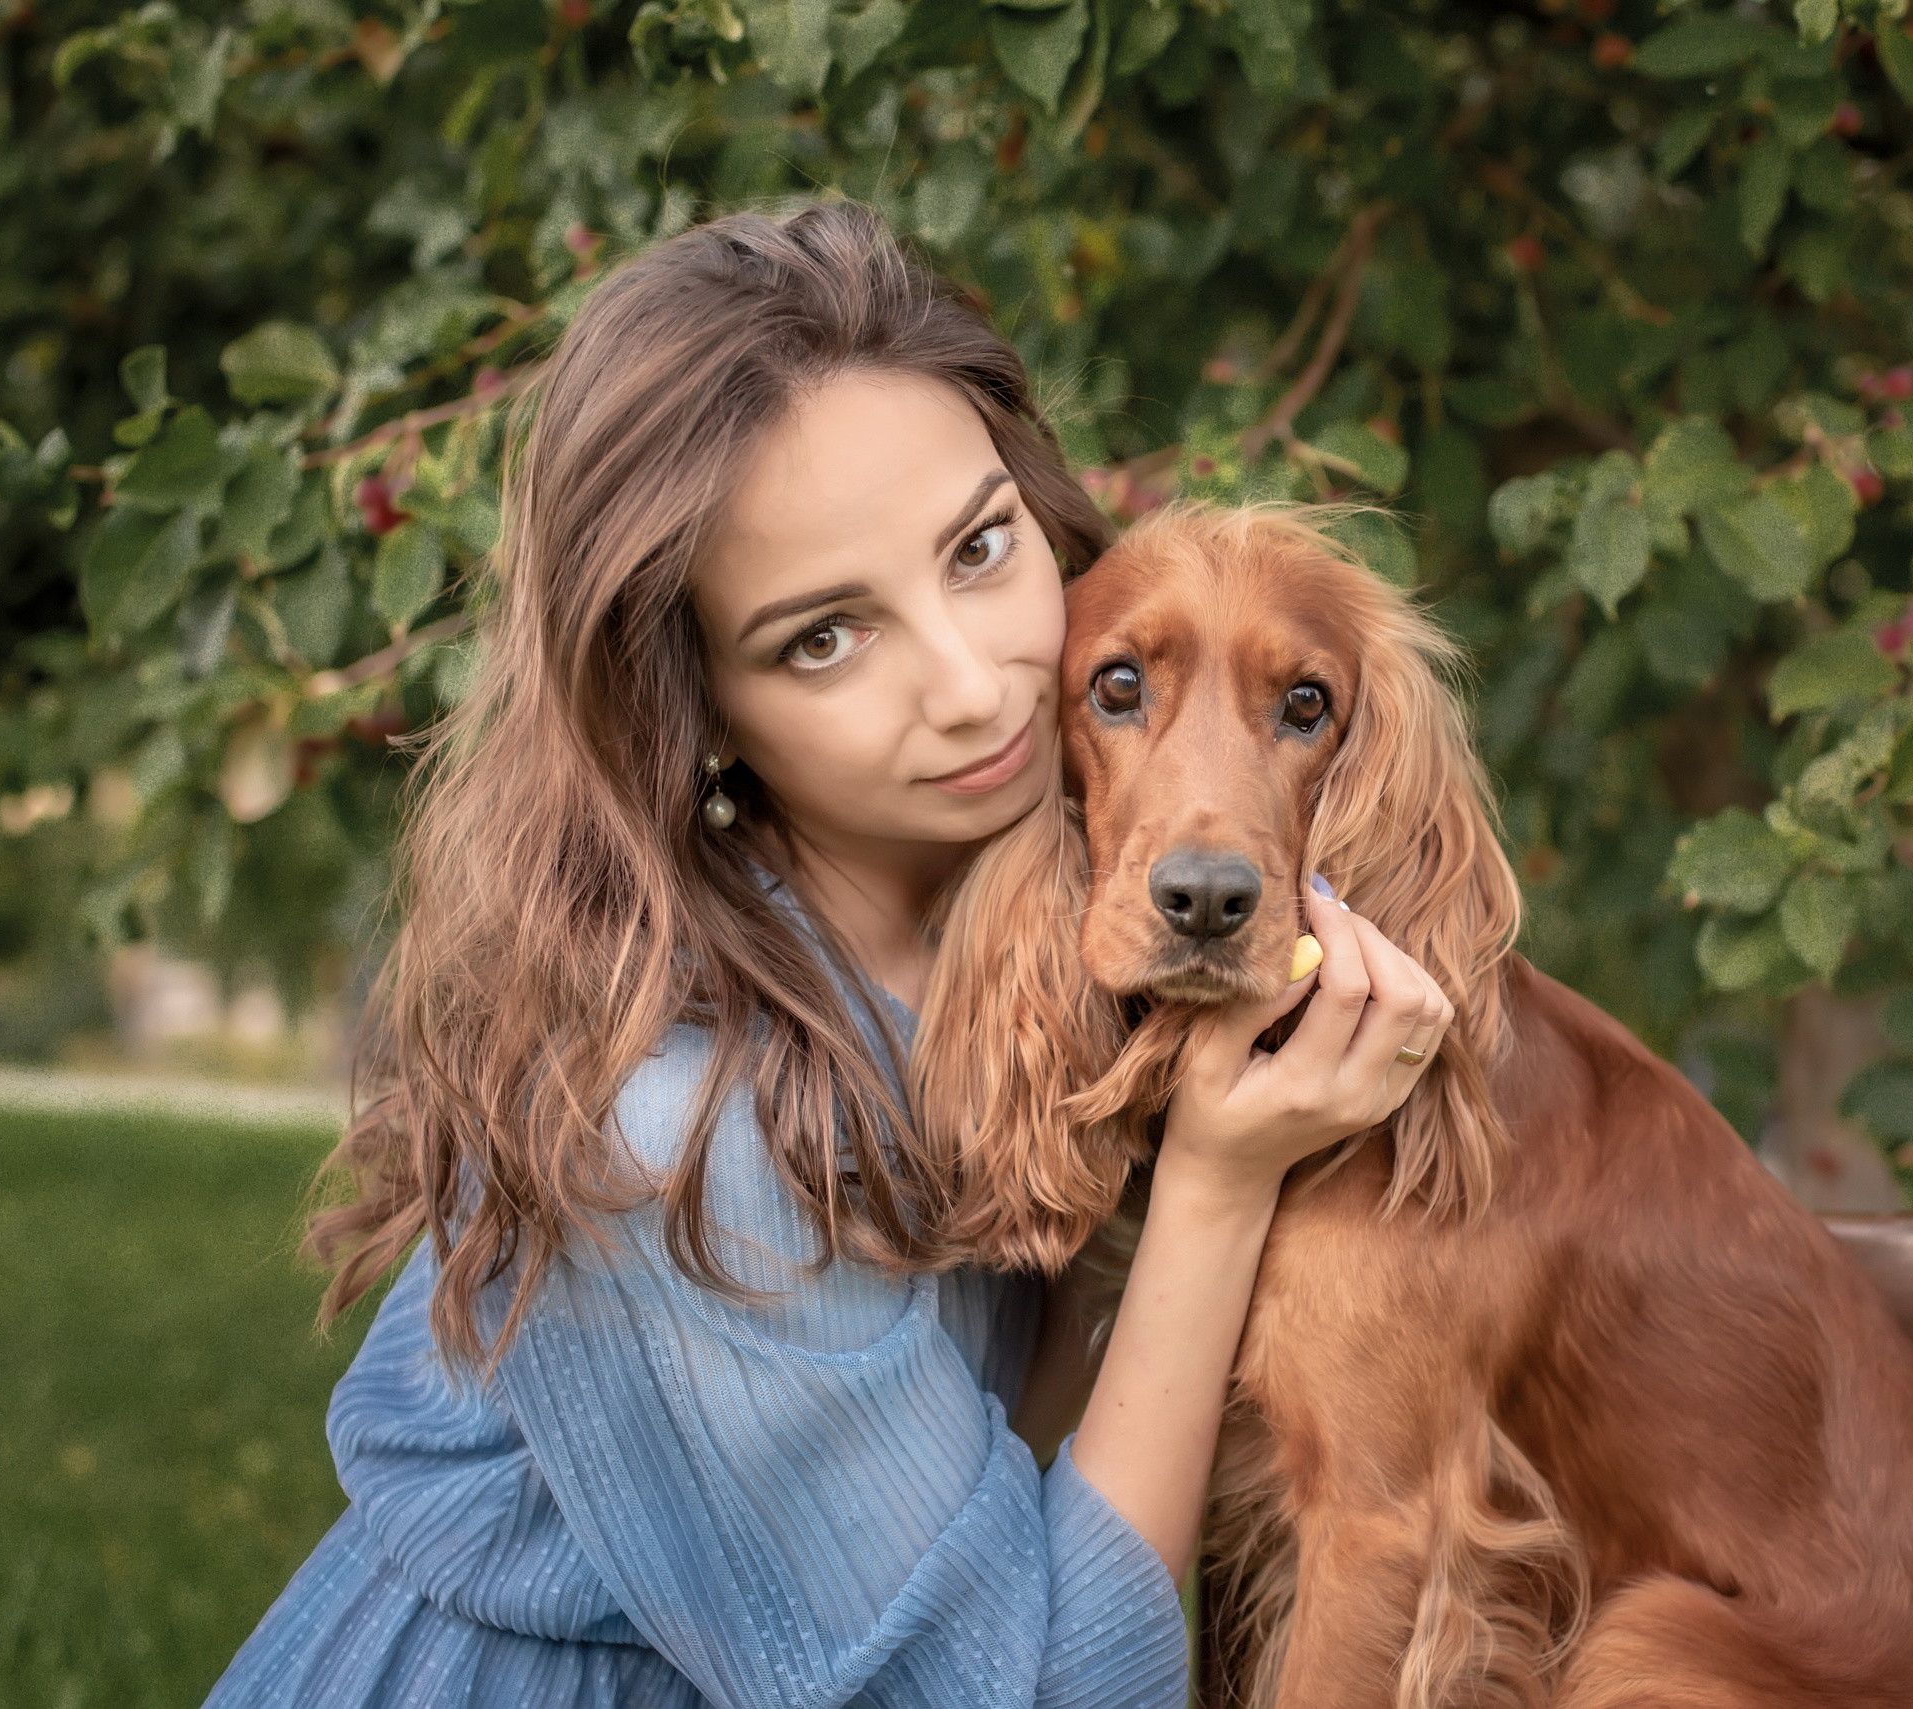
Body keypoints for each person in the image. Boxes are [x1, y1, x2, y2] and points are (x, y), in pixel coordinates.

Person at [200, 197, 1456, 1709]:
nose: (971, 680)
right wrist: (1212, 1185)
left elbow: (1020, 1484)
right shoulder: (675, 1147)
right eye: (824, 637)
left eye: (981, 550)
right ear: (695, 707)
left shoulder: (1043, 941)